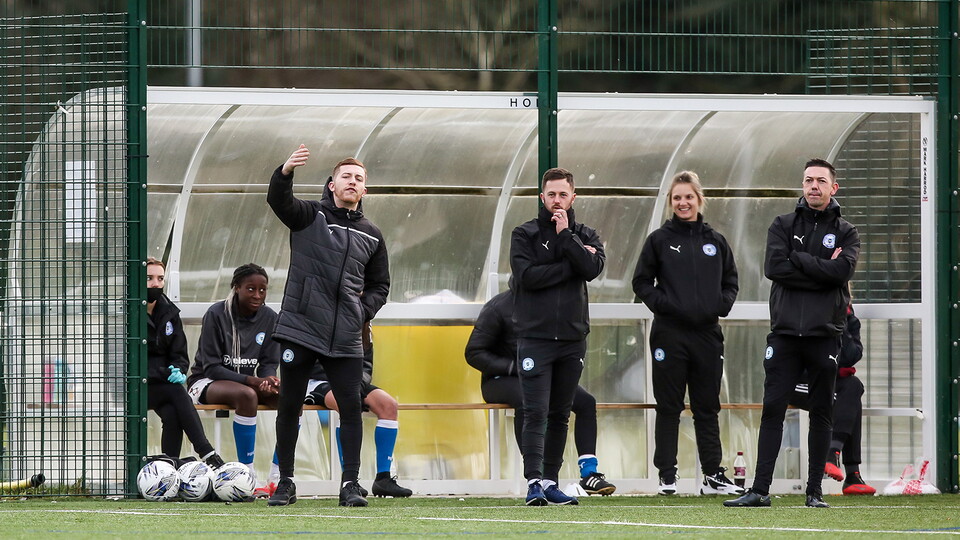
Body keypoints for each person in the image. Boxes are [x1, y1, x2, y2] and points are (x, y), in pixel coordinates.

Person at [724, 158, 860, 508]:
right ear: (802, 185)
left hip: (824, 335)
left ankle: (814, 492)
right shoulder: (782, 224)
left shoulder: (847, 232)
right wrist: (824, 269)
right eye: (808, 180)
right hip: (784, 334)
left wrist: (799, 259)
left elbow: (841, 273)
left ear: (833, 188)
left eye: (821, 181)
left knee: (821, 412)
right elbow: (774, 267)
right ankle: (760, 490)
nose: (814, 186)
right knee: (772, 409)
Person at [266, 145, 390, 507]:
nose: (353, 182)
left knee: (351, 408)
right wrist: (285, 172)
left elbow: (380, 285)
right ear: (332, 184)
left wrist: (359, 312)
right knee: (290, 405)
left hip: (346, 337)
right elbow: (278, 201)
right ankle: (286, 482)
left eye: (359, 179)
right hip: (301, 328)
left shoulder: (372, 234)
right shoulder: (310, 216)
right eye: (346, 176)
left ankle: (350, 484)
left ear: (364, 190)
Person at [632, 171, 743, 497]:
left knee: (707, 406)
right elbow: (641, 282)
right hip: (669, 335)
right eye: (677, 197)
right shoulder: (659, 240)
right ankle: (667, 475)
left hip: (707, 335)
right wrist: (665, 305)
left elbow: (731, 282)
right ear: (671, 201)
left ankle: (712, 475)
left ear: (699, 200)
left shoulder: (715, 241)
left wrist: (719, 305)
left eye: (688, 197)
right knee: (669, 406)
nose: (683, 203)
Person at [509, 167, 605, 506]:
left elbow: (592, 270)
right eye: (551, 194)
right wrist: (573, 264)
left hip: (572, 338)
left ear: (573, 197)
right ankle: (533, 482)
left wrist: (567, 237)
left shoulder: (586, 234)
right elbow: (527, 277)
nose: (557, 200)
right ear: (542, 197)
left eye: (563, 194)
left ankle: (551, 481)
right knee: (535, 411)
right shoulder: (524, 234)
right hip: (534, 337)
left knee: (560, 414)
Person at [465, 288, 617, 496]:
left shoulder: (548, 306)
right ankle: (537, 474)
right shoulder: (498, 307)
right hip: (500, 380)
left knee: (586, 402)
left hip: (541, 375)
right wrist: (513, 367)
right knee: (527, 401)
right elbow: (474, 352)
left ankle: (589, 474)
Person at [188, 263, 280, 492]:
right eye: (251, 289)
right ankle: (247, 474)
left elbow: (268, 362)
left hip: (244, 383)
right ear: (236, 287)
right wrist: (253, 381)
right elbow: (211, 367)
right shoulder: (217, 313)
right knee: (247, 395)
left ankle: (279, 475)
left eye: (262, 290)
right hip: (206, 382)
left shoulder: (269, 317)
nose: (257, 295)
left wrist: (268, 380)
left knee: (289, 397)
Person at [304, 321, 412, 498]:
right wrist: (347, 388)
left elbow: (366, 366)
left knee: (389, 405)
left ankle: (383, 479)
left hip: (352, 383)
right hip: (317, 381)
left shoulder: (363, 324)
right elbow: (309, 362)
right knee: (346, 403)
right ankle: (349, 480)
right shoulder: (321, 317)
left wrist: (357, 385)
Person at [145, 257, 225, 469]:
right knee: (176, 392)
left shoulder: (170, 312)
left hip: (162, 386)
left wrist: (179, 369)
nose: (156, 284)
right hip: (136, 387)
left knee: (172, 412)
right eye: (149, 278)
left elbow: (179, 353)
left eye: (160, 278)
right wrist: (164, 373)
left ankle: (168, 467)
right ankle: (206, 451)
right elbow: (128, 362)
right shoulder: (127, 313)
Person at [790, 302, 875, 495]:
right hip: (799, 383)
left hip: (829, 381)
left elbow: (851, 357)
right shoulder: (808, 312)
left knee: (853, 387)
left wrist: (841, 323)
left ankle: (840, 461)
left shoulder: (850, 320)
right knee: (849, 398)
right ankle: (849, 469)